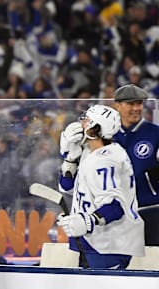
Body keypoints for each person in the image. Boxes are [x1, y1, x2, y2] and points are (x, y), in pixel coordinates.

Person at [57, 104, 145, 269]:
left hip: (108, 244)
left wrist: (88, 220)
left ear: (93, 129)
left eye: (86, 120)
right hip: (94, 242)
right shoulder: (91, 152)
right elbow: (66, 186)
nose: (81, 123)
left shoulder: (104, 161)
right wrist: (70, 159)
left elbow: (115, 207)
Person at [111, 84, 159, 246]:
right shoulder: (107, 135)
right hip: (117, 213)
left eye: (139, 103)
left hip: (151, 210)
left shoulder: (155, 133)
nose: (136, 108)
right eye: (130, 104)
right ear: (117, 105)